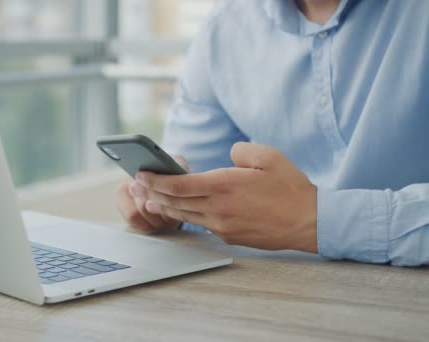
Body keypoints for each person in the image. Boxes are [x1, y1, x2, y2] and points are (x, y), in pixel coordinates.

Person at [116, 0, 429, 267]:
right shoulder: (225, 28)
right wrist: (169, 205)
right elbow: (195, 177)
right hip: (284, 288)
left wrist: (314, 219)